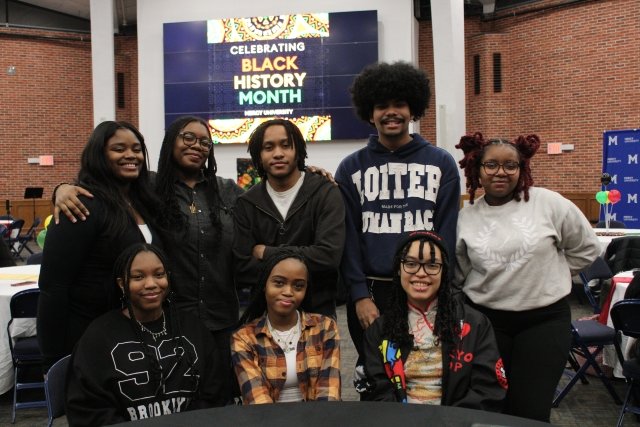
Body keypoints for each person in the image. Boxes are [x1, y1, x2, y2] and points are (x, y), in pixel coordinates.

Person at [455, 132, 601, 421]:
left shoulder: (548, 203)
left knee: (531, 410)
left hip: (544, 321)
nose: (501, 172)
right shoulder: (466, 216)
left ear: (522, 169)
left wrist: (552, 273)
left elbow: (587, 248)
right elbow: (461, 272)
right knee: (492, 406)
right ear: (477, 170)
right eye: (491, 165)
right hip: (487, 322)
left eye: (511, 165)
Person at [334, 61, 460, 390]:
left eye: (399, 104)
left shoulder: (441, 163)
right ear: (369, 112)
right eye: (381, 106)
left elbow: (446, 233)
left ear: (413, 108)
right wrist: (359, 295)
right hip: (373, 292)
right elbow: (349, 239)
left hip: (426, 287)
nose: (391, 113)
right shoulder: (350, 168)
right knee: (377, 377)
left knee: (426, 374)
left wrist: (439, 289)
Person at [37, 121, 164, 371]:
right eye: (119, 149)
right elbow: (53, 286)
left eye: (137, 149)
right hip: (89, 337)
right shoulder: (81, 204)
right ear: (99, 154)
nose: (130, 155)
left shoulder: (143, 200)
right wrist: (53, 360)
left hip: (134, 335)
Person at [66, 243, 226, 426]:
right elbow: (88, 409)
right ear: (122, 284)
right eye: (138, 277)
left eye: (159, 275)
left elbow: (214, 393)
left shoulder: (192, 327)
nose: (151, 284)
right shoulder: (98, 337)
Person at [362, 230, 506, 409]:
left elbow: (488, 391)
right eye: (411, 263)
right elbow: (377, 391)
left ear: (444, 271)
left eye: (431, 265)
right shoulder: (379, 330)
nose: (421, 273)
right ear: (399, 270)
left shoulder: (475, 325)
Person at [233, 118, 345, 318]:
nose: (278, 153)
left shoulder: (325, 192)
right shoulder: (247, 203)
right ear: (258, 155)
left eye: (286, 145)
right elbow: (242, 267)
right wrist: (305, 261)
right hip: (264, 317)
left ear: (298, 150)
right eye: (268, 147)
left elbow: (328, 257)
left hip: (317, 314)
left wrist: (267, 252)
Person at [231, 250, 341, 404]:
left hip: (319, 419)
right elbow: (258, 402)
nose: (288, 292)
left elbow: (329, 393)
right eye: (279, 283)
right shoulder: (243, 337)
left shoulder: (325, 327)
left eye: (298, 286)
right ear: (264, 285)